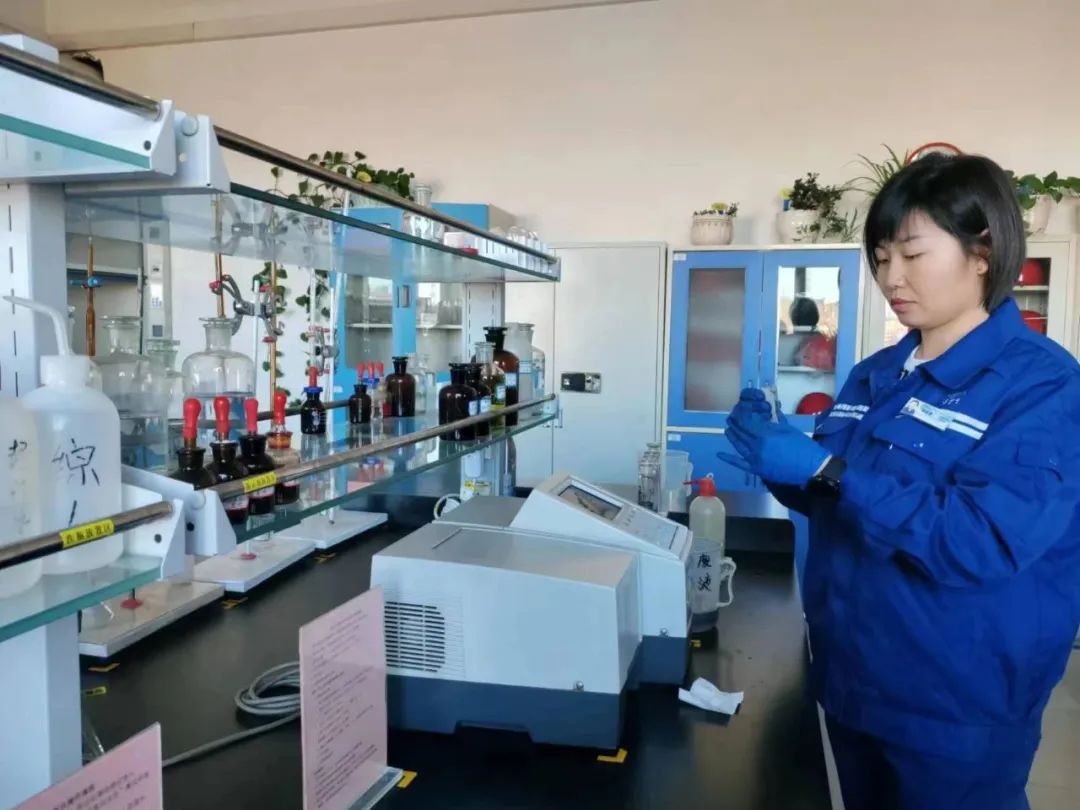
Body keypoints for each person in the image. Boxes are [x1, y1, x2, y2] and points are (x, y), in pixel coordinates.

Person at [721, 153, 1080, 810]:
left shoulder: (1043, 386)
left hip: (954, 704)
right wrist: (776, 457)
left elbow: (981, 540)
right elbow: (832, 495)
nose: (892, 277)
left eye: (913, 254)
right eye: (882, 257)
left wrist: (827, 471)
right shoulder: (878, 373)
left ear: (983, 251)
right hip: (854, 680)